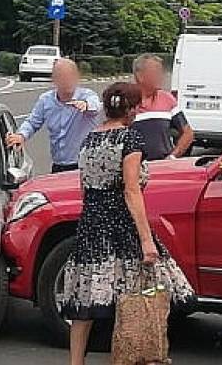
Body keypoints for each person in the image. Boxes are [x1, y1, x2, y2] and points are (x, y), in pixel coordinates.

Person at [59, 83, 194, 365]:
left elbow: (84, 188)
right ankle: (130, 356)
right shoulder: (130, 140)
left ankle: (75, 362)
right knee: (134, 295)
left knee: (86, 297)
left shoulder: (90, 139)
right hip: (122, 224)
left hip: (92, 223)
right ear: (131, 110)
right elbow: (131, 190)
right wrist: (146, 239)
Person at [6, 59, 100, 173]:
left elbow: (95, 107)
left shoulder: (87, 95)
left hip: (85, 165)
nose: (67, 80)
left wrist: (86, 105)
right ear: (54, 79)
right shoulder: (46, 100)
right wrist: (21, 136)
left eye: (71, 76)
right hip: (58, 164)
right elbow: (32, 122)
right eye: (62, 76)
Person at [131, 54, 194, 161]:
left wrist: (173, 156)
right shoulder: (127, 101)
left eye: (161, 72)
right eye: (155, 72)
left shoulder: (167, 99)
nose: (161, 76)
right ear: (139, 76)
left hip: (162, 166)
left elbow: (188, 133)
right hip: (136, 168)